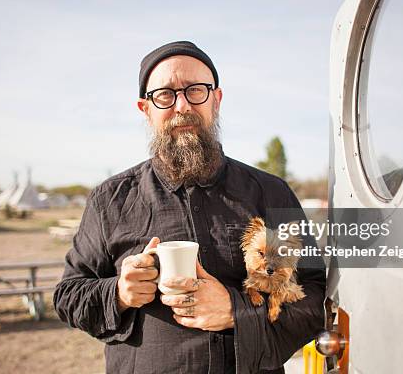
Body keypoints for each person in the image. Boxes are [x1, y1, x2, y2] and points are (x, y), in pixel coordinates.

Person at [53, 41, 326, 374]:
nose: (182, 105)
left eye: (196, 90)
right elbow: (69, 296)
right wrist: (120, 292)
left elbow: (314, 296)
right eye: (165, 95)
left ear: (216, 100)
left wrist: (235, 311)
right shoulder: (109, 200)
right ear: (145, 109)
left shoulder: (270, 193)